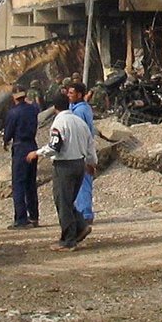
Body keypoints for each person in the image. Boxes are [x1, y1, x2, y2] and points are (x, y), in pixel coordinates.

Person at [27, 92, 97, 252]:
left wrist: (36, 153)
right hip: (80, 164)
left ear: (54, 107)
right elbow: (90, 143)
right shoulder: (79, 121)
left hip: (64, 165)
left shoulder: (59, 123)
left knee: (62, 202)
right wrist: (91, 162)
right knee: (68, 200)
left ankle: (68, 240)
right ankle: (81, 226)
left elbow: (54, 146)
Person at [2, 87, 40, 229]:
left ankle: (21, 219)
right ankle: (34, 216)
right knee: (31, 183)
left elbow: (8, 132)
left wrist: (5, 141)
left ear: (14, 97)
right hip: (32, 145)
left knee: (18, 184)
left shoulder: (13, 113)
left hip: (20, 148)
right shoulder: (33, 109)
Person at [65, 81, 96, 229]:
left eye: (71, 93)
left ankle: (85, 214)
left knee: (84, 184)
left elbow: (82, 133)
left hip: (81, 151)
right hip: (80, 150)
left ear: (79, 94)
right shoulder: (77, 108)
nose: (69, 96)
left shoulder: (80, 111)